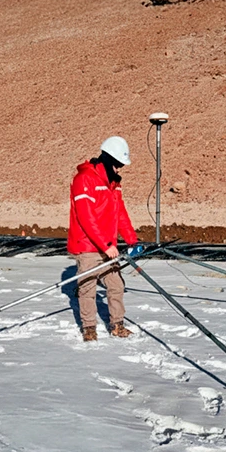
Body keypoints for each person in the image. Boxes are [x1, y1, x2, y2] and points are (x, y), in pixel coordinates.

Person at [67, 136, 141, 342]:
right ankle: (89, 328)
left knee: (116, 285)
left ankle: (117, 325)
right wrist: (106, 244)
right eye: (117, 165)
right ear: (108, 159)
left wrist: (132, 240)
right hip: (88, 246)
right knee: (88, 288)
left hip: (109, 247)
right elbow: (86, 217)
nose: (119, 169)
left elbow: (120, 214)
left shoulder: (114, 184)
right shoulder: (84, 179)